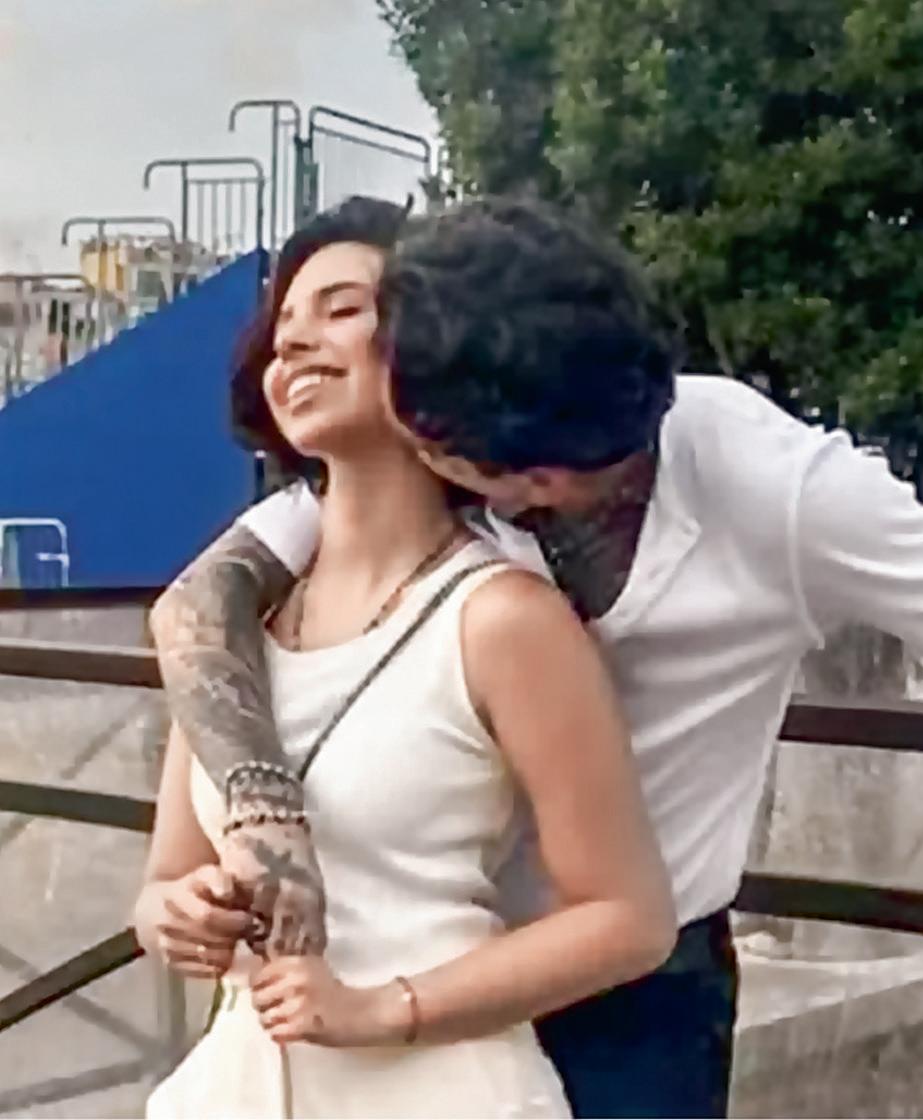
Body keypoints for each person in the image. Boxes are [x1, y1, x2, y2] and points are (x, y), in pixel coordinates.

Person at [149, 196, 923, 1119]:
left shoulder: (779, 489)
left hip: (635, 985)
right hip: (420, 960)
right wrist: (257, 810)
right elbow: (200, 604)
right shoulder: (426, 433)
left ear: (522, 469)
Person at [133, 197, 676, 1119]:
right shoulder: (232, 633)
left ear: (432, 347)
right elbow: (161, 886)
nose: (293, 341)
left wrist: (385, 1009)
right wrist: (179, 916)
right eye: (283, 323)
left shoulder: (502, 619)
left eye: (341, 309)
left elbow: (629, 918)